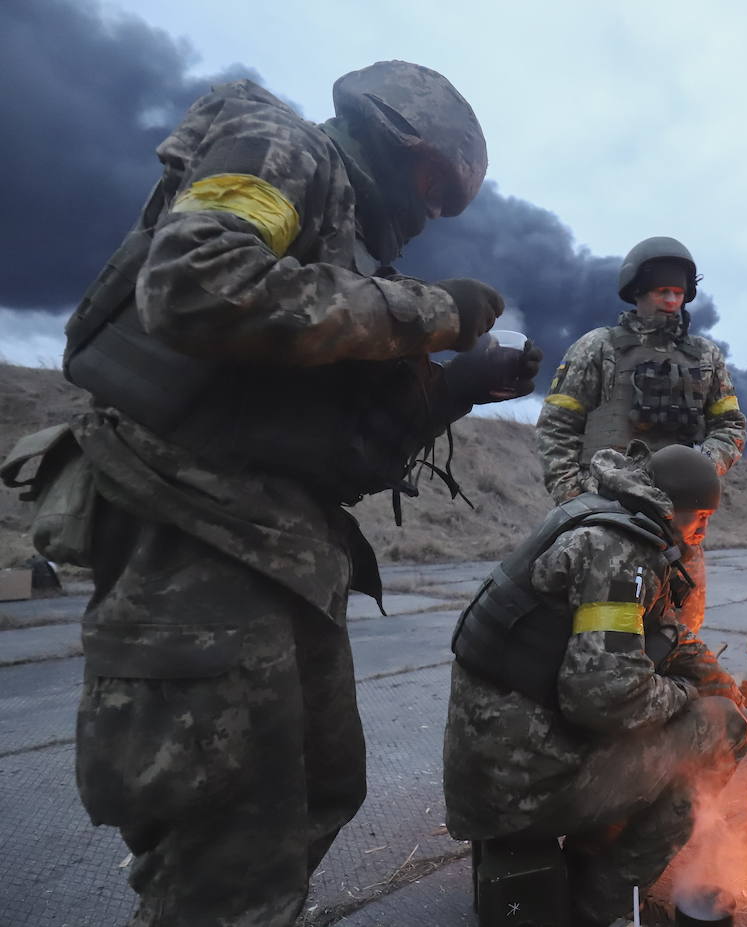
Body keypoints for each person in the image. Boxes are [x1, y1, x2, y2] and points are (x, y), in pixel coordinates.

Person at [53, 61, 539, 925]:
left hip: (282, 551)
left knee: (321, 789)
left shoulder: (349, 264)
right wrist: (432, 310)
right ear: (393, 136)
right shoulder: (284, 149)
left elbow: (348, 461)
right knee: (226, 839)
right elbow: (196, 281)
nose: (428, 215)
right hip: (191, 530)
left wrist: (459, 387)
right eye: (433, 188)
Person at [444, 443, 747, 927]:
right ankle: (598, 903)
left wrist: (725, 687)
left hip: (497, 771)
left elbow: (665, 633)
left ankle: (590, 860)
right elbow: (606, 698)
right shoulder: (621, 552)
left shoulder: (602, 515)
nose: (703, 529)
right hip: (521, 789)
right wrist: (696, 699)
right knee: (721, 731)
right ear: (668, 508)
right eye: (697, 515)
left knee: (714, 710)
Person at [535, 237, 747, 632]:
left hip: (679, 524)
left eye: (679, 293)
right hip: (607, 513)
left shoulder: (705, 357)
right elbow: (557, 425)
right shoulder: (598, 348)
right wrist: (573, 495)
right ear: (637, 291)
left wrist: (700, 469)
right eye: (661, 291)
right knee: (601, 630)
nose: (671, 300)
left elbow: (731, 426)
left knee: (680, 636)